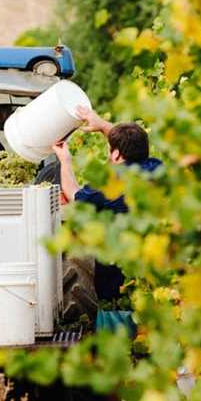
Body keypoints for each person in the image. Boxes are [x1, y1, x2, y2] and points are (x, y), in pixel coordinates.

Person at [53, 106, 162, 301]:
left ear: (116, 154)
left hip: (116, 278)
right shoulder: (156, 167)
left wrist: (65, 160)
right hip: (153, 267)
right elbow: (130, 143)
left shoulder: (107, 184)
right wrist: (101, 123)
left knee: (117, 315)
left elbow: (73, 195)